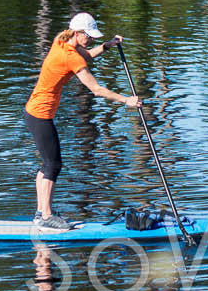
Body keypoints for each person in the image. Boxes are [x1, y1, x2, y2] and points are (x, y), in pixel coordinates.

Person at [24, 12, 141, 232]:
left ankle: (41, 213)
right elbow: (96, 89)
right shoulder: (70, 56)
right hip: (40, 114)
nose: (92, 40)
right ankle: (46, 217)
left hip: (34, 112)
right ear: (77, 33)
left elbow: (85, 55)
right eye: (89, 36)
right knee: (53, 165)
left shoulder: (61, 40)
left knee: (48, 164)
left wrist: (107, 46)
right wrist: (127, 100)